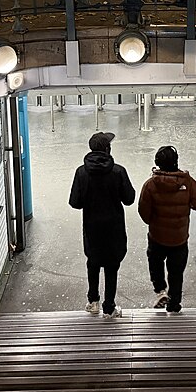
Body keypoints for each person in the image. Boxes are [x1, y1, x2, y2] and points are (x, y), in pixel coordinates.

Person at [69, 132, 135, 318]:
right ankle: (109, 307)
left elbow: (75, 202)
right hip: (114, 227)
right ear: (108, 149)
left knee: (93, 263)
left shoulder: (81, 172)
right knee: (112, 266)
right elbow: (129, 199)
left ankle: (93, 301)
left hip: (92, 228)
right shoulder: (118, 171)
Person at [138, 145, 196, 313]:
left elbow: (144, 212)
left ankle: (160, 290)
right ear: (176, 162)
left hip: (157, 236)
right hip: (179, 238)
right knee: (176, 273)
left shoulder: (150, 185)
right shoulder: (186, 182)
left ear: (157, 163)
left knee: (155, 263)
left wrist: (153, 221)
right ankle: (174, 304)